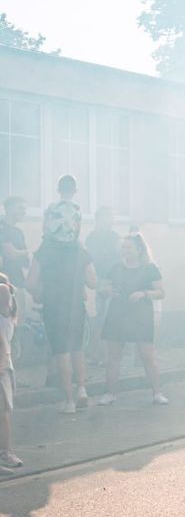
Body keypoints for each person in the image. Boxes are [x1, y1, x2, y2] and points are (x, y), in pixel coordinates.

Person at [27, 234, 97, 412]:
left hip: (53, 307)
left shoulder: (45, 250)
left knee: (61, 352)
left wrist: (39, 291)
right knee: (77, 349)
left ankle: (69, 401)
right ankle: (81, 389)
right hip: (76, 307)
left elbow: (30, 282)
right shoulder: (80, 250)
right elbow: (92, 282)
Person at [98, 233, 166, 405]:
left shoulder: (149, 268)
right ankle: (111, 393)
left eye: (128, 247)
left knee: (147, 354)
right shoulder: (115, 267)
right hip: (117, 313)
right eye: (123, 247)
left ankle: (157, 393)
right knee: (113, 356)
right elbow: (101, 288)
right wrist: (106, 291)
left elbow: (161, 292)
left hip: (141, 314)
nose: (125, 250)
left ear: (139, 249)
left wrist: (143, 293)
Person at [85, 206, 121, 364]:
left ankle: (107, 356)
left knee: (109, 319)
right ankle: (96, 355)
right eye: (109, 216)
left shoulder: (115, 237)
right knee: (99, 319)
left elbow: (120, 259)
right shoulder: (92, 238)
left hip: (113, 281)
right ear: (100, 218)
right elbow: (90, 260)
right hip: (98, 280)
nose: (112, 220)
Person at [0, 272, 22, 470]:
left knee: (4, 413)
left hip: (1, 368)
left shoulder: (4, 313)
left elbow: (4, 289)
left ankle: (6, 452)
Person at [0, 196, 30, 295]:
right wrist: (24, 252)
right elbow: (11, 254)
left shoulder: (19, 232)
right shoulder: (2, 228)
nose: (24, 212)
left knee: (21, 309)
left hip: (18, 282)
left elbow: (26, 262)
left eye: (25, 209)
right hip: (3, 284)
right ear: (9, 208)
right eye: (20, 208)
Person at [43, 174, 82, 244]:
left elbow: (45, 226)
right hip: (69, 246)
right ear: (75, 191)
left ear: (58, 190)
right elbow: (77, 231)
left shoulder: (51, 207)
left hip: (52, 244)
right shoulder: (77, 208)